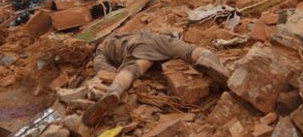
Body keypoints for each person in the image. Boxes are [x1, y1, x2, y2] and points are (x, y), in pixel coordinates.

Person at [82, 31, 230, 126]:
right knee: (189, 51)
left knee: (132, 70)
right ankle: (212, 62)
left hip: (137, 48)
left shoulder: (101, 48)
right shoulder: (121, 33)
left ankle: (113, 92)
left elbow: (100, 66)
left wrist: (115, 70)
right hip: (157, 38)